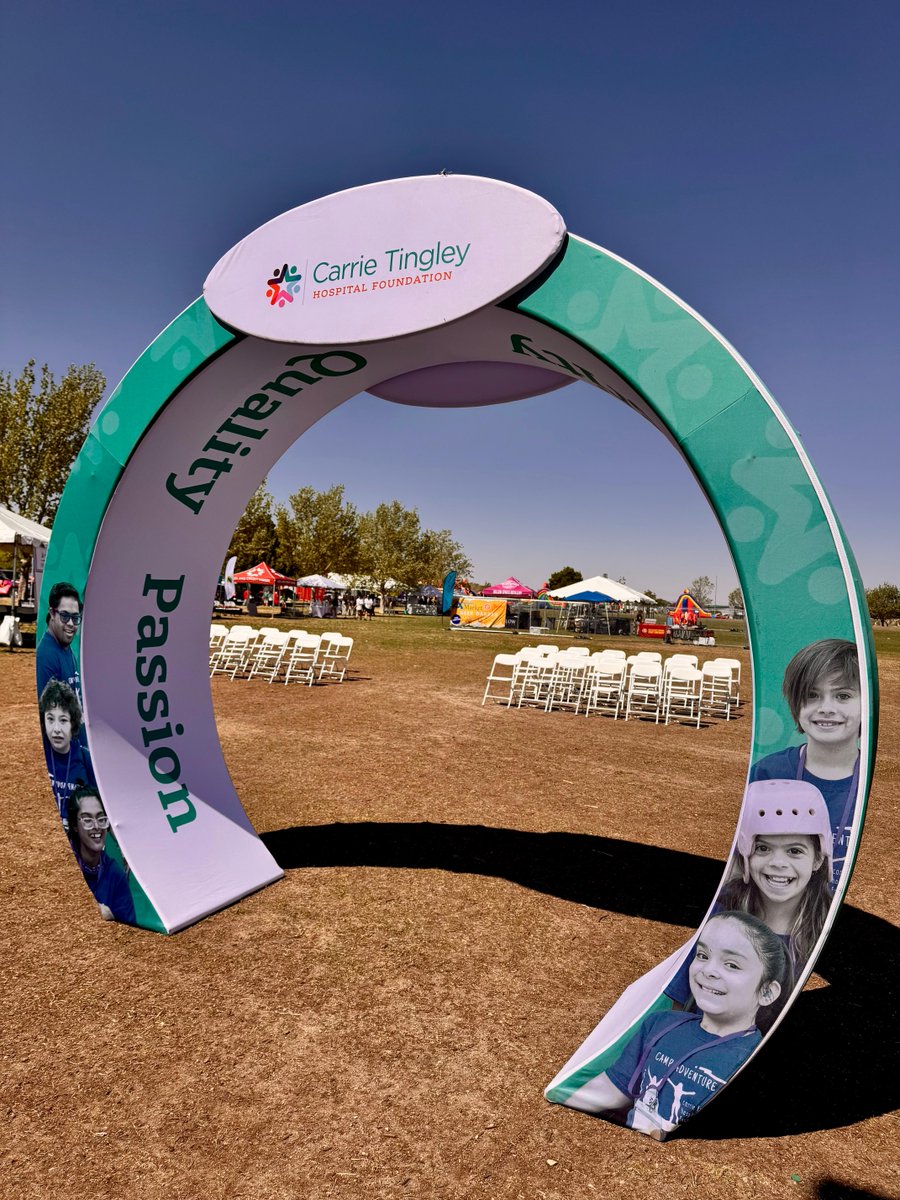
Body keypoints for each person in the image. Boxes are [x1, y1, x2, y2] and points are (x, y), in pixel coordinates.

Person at [588, 911, 787, 1137]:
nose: (708, 970)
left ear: (768, 992)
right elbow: (610, 1091)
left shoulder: (752, 1056)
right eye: (702, 955)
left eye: (732, 965)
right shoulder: (661, 1023)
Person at [666, 779, 832, 1004]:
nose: (778, 863)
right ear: (746, 853)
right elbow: (683, 997)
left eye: (794, 851)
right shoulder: (723, 912)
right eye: (763, 848)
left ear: (818, 859)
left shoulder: (826, 924)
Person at [750, 639, 860, 885]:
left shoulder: (874, 785)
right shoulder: (769, 774)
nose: (826, 708)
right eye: (812, 695)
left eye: (843, 695)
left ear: (866, 704)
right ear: (795, 703)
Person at [66, 786, 135, 924]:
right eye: (87, 820)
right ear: (74, 825)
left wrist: (110, 921)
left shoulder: (115, 875)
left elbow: (130, 931)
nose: (96, 826)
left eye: (101, 818)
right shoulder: (63, 864)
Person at [39, 679, 95, 824]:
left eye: (63, 720)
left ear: (73, 724)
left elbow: (105, 810)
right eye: (50, 719)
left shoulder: (86, 759)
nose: (56, 728)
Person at [36, 581, 83, 703]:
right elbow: (51, 717)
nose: (71, 624)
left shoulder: (65, 648)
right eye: (65, 616)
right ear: (52, 613)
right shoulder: (47, 655)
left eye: (75, 617)